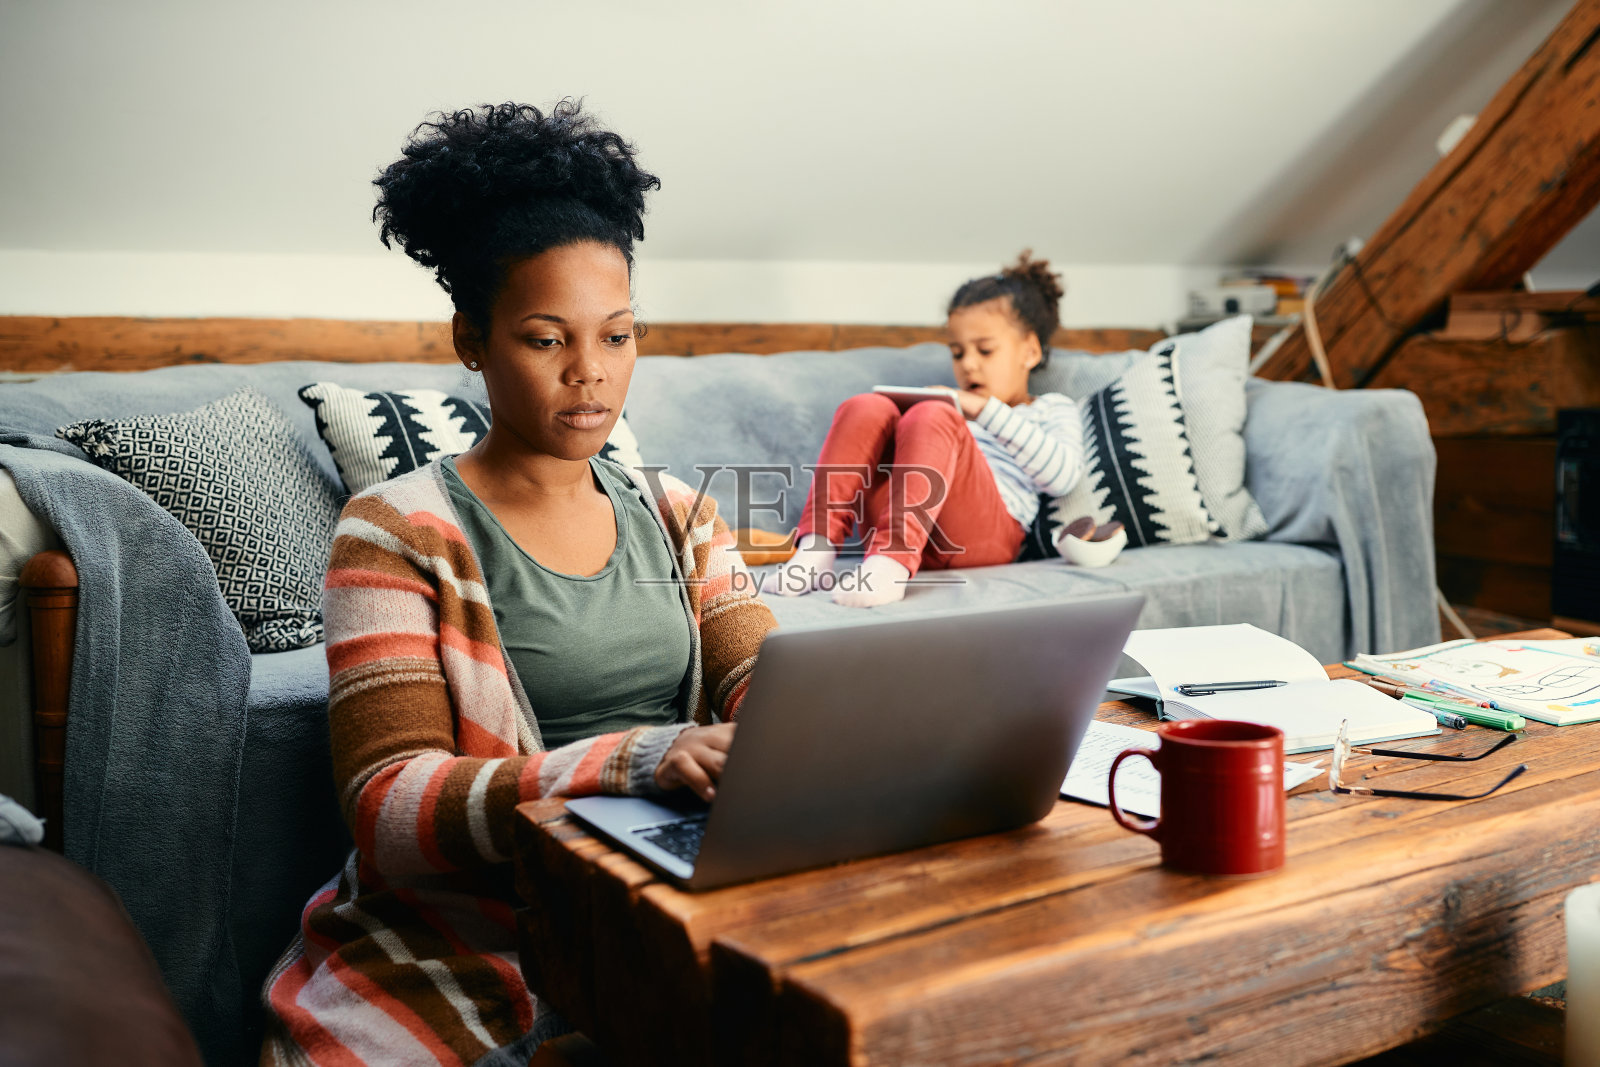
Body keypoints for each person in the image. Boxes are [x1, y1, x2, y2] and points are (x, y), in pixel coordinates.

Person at [258, 101, 776, 1066]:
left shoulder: (680, 514)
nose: (591, 374)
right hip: (479, 929)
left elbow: (770, 685)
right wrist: (636, 760)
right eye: (547, 339)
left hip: (665, 889)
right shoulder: (393, 530)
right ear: (472, 338)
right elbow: (388, 805)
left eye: (617, 336)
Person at [763, 252, 1085, 607]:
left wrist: (981, 409)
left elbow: (1062, 477)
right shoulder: (952, 409)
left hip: (985, 537)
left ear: (1030, 352)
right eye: (958, 353)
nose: (969, 365)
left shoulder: (1051, 408)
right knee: (866, 406)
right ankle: (816, 550)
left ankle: (891, 563)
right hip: (911, 526)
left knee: (933, 414)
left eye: (985, 350)